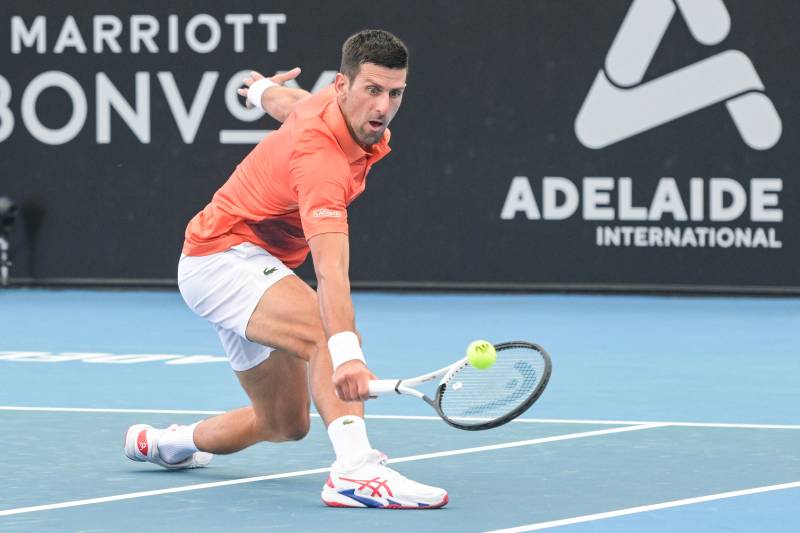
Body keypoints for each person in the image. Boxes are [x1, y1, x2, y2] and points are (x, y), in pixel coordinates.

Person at [124, 29, 448, 509]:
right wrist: (346, 353)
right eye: (372, 90)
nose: (382, 107)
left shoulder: (335, 109)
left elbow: (289, 102)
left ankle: (166, 444)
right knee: (323, 333)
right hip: (220, 257)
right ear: (343, 86)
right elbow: (331, 270)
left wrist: (258, 90)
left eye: (395, 93)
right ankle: (355, 474)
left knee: (284, 422)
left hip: (254, 264)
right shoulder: (322, 161)